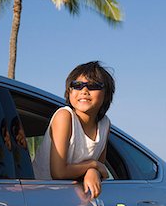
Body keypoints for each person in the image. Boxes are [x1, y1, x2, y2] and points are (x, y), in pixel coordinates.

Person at [33, 61, 115, 198]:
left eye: (93, 86)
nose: (84, 91)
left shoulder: (105, 124)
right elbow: (58, 172)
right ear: (69, 92)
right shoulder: (64, 116)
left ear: (106, 94)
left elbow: (100, 169)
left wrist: (93, 170)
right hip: (41, 194)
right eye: (77, 85)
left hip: (71, 197)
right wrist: (93, 165)